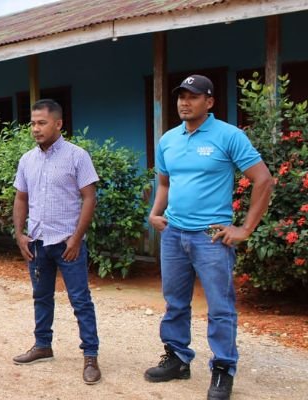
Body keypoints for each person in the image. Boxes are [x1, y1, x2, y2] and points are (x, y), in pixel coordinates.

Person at [145, 75, 273, 400]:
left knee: (220, 307)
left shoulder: (228, 136)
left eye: (193, 96)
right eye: (181, 96)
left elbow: (263, 180)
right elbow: (164, 183)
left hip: (211, 238)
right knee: (175, 302)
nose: (184, 102)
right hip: (173, 234)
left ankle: (222, 369)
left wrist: (244, 229)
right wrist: (154, 213)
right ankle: (176, 358)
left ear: (210, 101)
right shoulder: (169, 140)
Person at [11, 99, 102, 385]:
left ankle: (90, 355)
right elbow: (21, 197)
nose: (35, 129)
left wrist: (76, 238)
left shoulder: (77, 156)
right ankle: (42, 345)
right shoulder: (27, 160)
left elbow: (90, 197)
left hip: (67, 243)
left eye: (42, 123)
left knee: (80, 300)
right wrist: (19, 234)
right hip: (37, 242)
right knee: (41, 296)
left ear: (58, 124)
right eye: (32, 123)